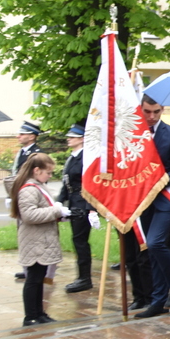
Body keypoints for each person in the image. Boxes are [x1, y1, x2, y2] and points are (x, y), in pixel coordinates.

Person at [134, 96, 170, 319]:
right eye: (147, 111)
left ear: (162, 109)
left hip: (165, 198)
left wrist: (158, 181)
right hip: (142, 200)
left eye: (156, 111)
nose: (152, 116)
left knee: (156, 242)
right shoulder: (134, 135)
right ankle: (158, 300)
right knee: (152, 249)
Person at [10, 153, 70, 325]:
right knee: (34, 279)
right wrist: (57, 211)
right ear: (36, 170)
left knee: (39, 277)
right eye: (48, 172)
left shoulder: (38, 186)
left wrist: (61, 215)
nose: (50, 176)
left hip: (41, 238)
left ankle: (39, 313)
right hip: (35, 240)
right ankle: (30, 316)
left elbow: (43, 211)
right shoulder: (29, 189)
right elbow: (29, 215)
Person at [59, 124, 97, 294]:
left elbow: (90, 184)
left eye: (73, 136)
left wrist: (91, 208)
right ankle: (82, 276)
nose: (69, 138)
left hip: (82, 203)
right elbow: (66, 183)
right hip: (73, 202)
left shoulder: (85, 158)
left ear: (82, 138)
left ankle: (84, 278)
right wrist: (60, 202)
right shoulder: (72, 158)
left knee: (80, 241)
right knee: (77, 240)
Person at [10, 121, 43, 280]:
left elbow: (39, 178)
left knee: (31, 234)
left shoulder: (36, 154)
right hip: (20, 196)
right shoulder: (22, 153)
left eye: (22, 134)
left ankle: (34, 266)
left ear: (31, 136)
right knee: (23, 233)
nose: (18, 136)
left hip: (30, 197)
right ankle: (27, 265)